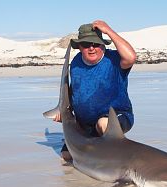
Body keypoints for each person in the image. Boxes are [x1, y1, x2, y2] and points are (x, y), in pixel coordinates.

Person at [54, 20, 137, 161]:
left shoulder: (115, 59)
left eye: (96, 44)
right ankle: (97, 146)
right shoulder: (76, 63)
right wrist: (63, 110)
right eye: (86, 44)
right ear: (79, 47)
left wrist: (109, 31)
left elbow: (131, 57)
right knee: (67, 156)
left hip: (116, 116)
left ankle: (116, 161)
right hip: (85, 123)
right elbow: (75, 92)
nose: (91, 48)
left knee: (103, 124)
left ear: (102, 45)